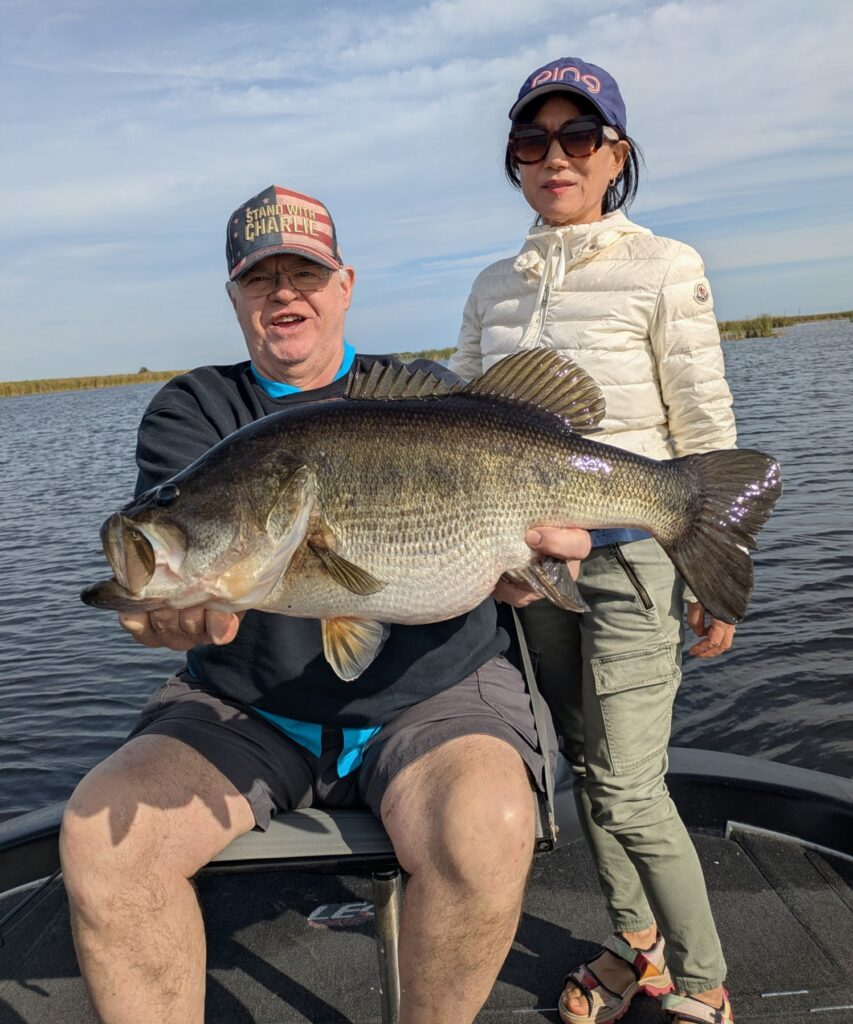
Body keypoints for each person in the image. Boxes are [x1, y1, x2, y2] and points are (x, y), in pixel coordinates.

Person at [59, 184, 592, 1024]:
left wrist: (530, 570)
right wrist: (165, 609)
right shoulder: (196, 411)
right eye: (258, 278)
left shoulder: (421, 394)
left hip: (431, 693)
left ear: (344, 286)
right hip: (249, 707)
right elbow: (174, 577)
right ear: (234, 297)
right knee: (102, 836)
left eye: (304, 273)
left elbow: (507, 562)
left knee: (487, 822)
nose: (284, 293)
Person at [449, 58, 737, 1024]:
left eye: (578, 137)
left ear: (617, 155)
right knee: (582, 762)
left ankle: (702, 983)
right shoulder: (492, 285)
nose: (555, 158)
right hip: (533, 565)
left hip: (636, 553)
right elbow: (460, 423)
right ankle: (636, 945)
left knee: (627, 785)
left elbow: (703, 423)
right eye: (532, 142)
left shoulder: (666, 265)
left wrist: (717, 572)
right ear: (515, 163)